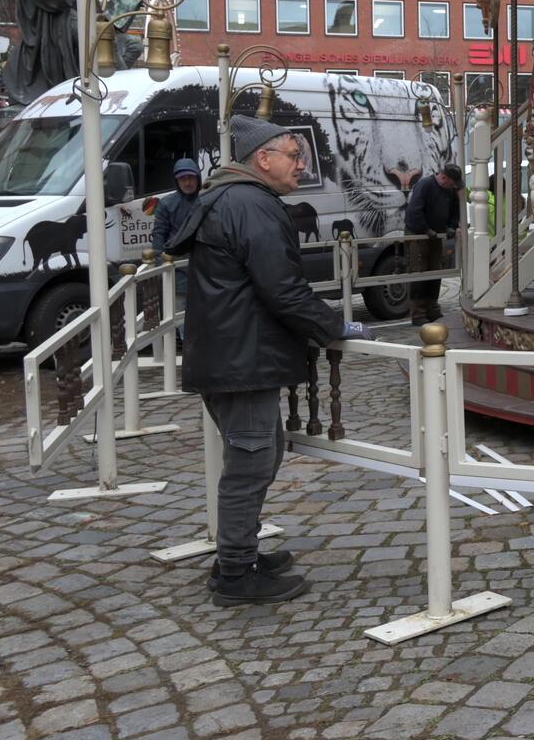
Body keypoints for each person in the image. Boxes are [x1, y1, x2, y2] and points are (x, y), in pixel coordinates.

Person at [167, 117, 367, 606]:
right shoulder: (249, 204)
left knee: (262, 454)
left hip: (234, 356)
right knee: (250, 465)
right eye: (294, 156)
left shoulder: (232, 198)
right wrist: (336, 327)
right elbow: (282, 289)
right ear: (263, 158)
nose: (301, 167)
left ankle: (240, 554)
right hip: (241, 359)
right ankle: (236, 575)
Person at [404, 163, 462, 324]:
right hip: (417, 234)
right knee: (419, 273)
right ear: (444, 178)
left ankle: (432, 308)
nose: (454, 187)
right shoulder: (425, 185)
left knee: (435, 271)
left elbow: (455, 211)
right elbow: (414, 211)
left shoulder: (449, 190)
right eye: (452, 183)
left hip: (436, 235)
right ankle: (418, 313)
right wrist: (426, 229)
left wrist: (451, 226)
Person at [149, 159, 202, 253]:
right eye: (182, 178)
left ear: (198, 178)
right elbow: (159, 234)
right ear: (176, 181)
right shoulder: (165, 204)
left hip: (204, 255)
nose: (187, 183)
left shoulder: (208, 199)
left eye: (191, 177)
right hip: (177, 256)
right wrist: (159, 258)